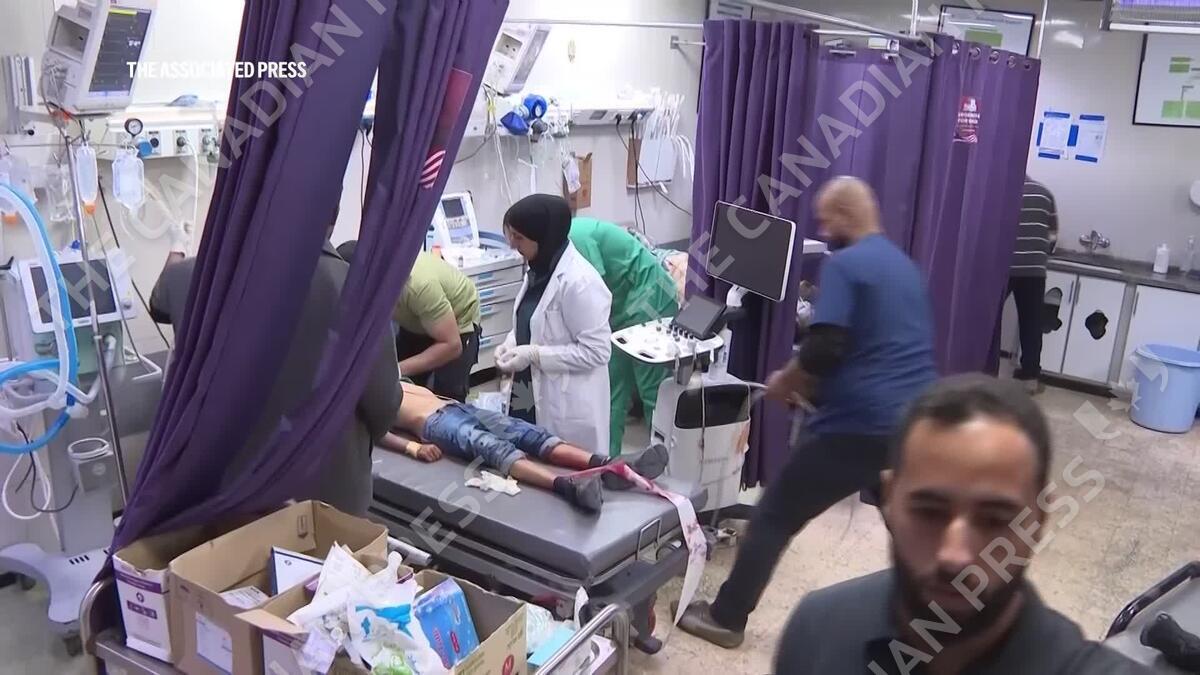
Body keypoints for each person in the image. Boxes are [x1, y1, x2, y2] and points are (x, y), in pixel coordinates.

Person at [678, 176, 937, 648]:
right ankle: (928, 624)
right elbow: (881, 348)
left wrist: (787, 380)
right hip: (914, 425)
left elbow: (824, 348)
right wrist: (819, 388)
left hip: (856, 427)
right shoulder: (905, 267)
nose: (823, 229)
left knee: (775, 514)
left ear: (847, 214)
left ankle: (726, 618)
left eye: (827, 218)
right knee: (907, 528)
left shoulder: (847, 265)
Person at [773, 375, 1153, 674]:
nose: (955, 555)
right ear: (888, 500)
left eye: (994, 519)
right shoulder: (816, 634)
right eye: (929, 512)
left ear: (1038, 521)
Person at [149, 209, 400, 516]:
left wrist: (177, 247)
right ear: (332, 219)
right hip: (326, 505)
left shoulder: (190, 276)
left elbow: (158, 303)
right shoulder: (359, 289)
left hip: (221, 499)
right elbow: (384, 405)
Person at [378, 382, 669, 513]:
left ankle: (611, 464)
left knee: (527, 432)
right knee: (493, 447)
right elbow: (374, 432)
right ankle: (567, 487)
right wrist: (412, 448)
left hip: (456, 406)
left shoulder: (386, 368)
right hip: (433, 423)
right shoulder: (360, 388)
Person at [495, 194, 612, 455]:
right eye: (511, 235)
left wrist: (535, 355)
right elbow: (533, 319)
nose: (512, 244)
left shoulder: (580, 282)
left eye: (519, 237)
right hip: (527, 390)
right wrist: (511, 342)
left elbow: (597, 351)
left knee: (560, 469)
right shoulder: (538, 270)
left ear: (542, 236)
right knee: (523, 456)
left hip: (566, 402)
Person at [570, 218, 679, 457]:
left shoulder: (575, 235)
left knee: (651, 388)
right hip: (621, 307)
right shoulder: (560, 245)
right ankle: (605, 461)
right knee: (611, 387)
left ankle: (665, 461)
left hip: (651, 295)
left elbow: (594, 287)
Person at [338, 243, 481, 403]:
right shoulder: (363, 284)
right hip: (418, 318)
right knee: (404, 388)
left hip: (458, 320)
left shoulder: (418, 285)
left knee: (445, 397)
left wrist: (397, 370)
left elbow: (452, 346)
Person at [1006, 175, 1059, 394]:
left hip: (1003, 267)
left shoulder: (1002, 191)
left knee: (987, 319)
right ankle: (1030, 378)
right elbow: (1053, 237)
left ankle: (978, 368)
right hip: (1034, 270)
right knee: (1031, 324)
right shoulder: (1045, 194)